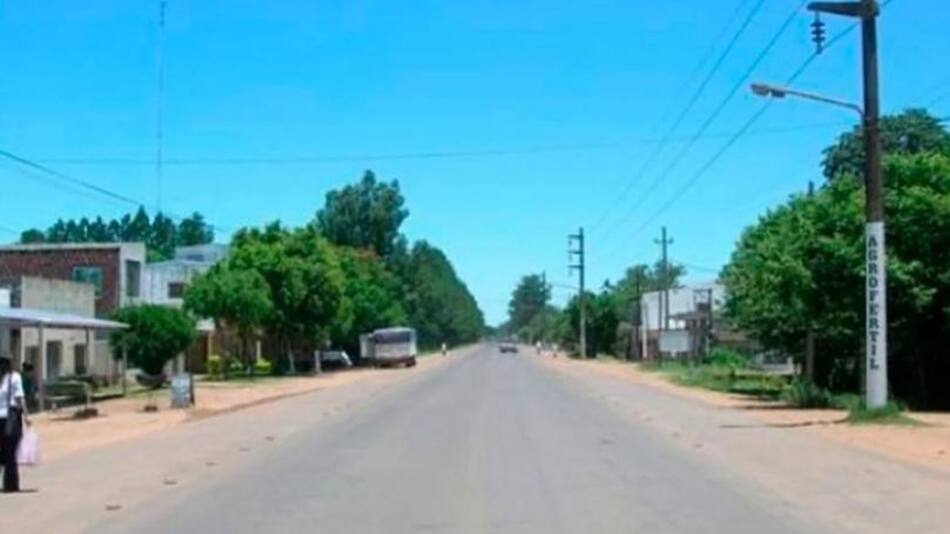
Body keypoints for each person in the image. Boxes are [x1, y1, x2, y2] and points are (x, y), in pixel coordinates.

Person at [0, 355, 29, 493]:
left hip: (7, 418)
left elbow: (19, 397)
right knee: (10, 452)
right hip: (9, 419)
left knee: (7, 452)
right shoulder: (14, 377)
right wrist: (26, 415)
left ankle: (9, 483)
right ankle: (10, 484)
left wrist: (26, 415)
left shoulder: (12, 378)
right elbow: (19, 398)